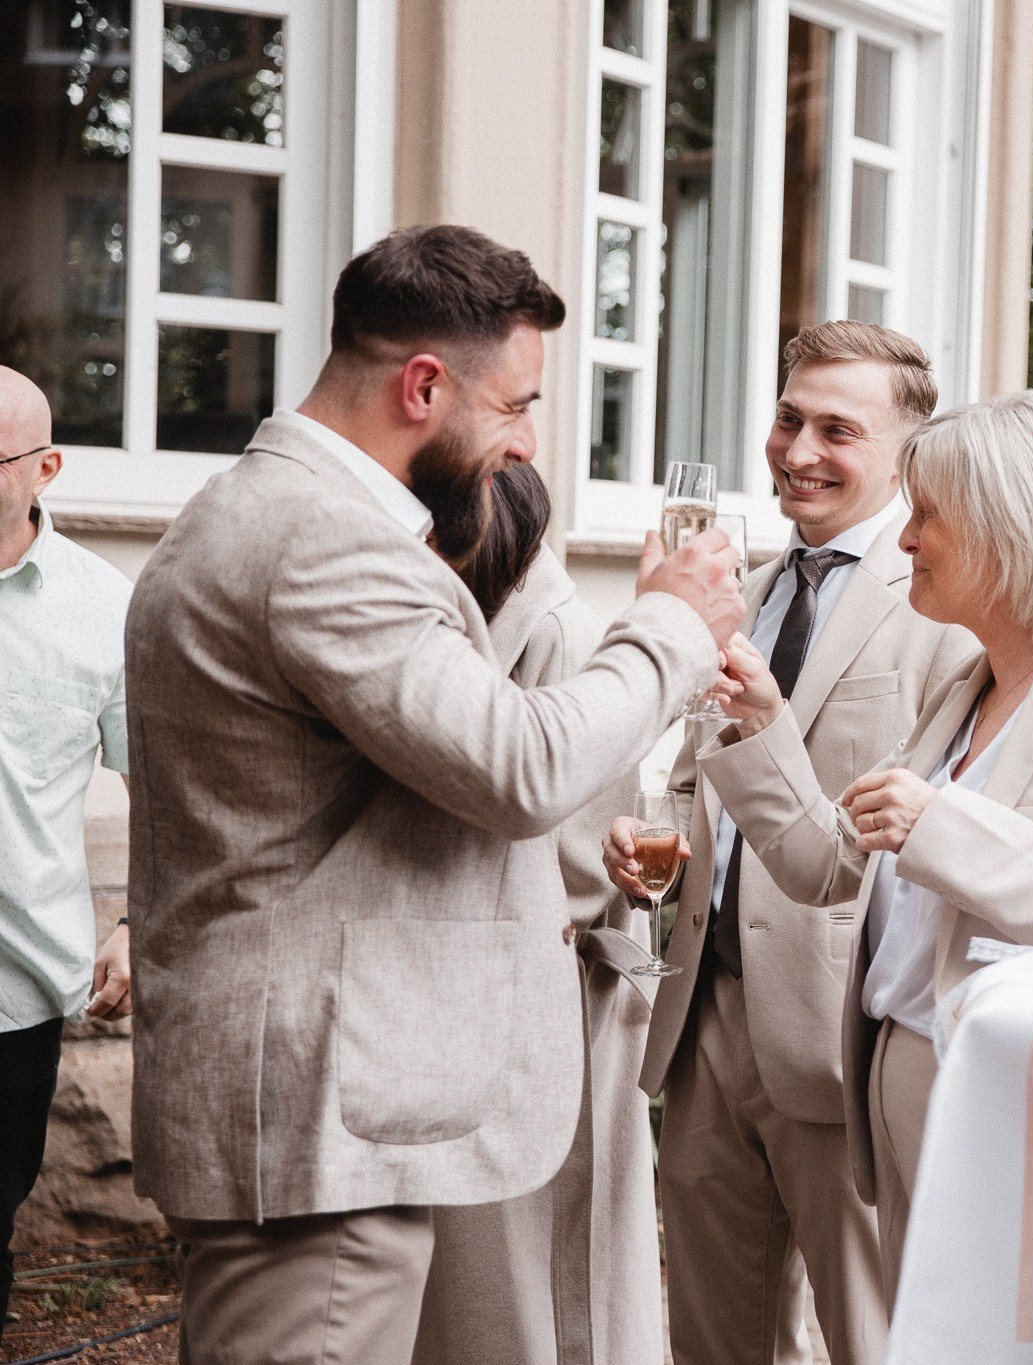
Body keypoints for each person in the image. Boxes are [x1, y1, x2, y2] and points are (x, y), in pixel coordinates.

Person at [125, 225, 744, 1365]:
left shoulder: (277, 511)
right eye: (514, 405)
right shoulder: (322, 541)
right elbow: (519, 767)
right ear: (423, 386)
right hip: (315, 1118)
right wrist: (671, 628)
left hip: (320, 1110)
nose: (525, 441)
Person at [700, 389, 1033, 1296]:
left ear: (1008, 527)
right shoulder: (966, 693)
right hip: (899, 1090)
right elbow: (831, 868)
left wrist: (943, 828)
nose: (902, 542)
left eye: (927, 516)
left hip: (1018, 1111)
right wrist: (761, 725)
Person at [603, 321, 976, 1365]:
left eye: (836, 430)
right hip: (701, 1016)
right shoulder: (753, 590)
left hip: (839, 1029)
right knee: (714, 1341)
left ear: (904, 455)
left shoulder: (944, 607)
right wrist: (652, 835)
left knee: (869, 1338)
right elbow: (699, 774)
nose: (797, 449)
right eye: (787, 418)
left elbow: (920, 821)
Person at [411, 463, 663, 1365]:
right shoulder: (455, 629)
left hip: (553, 1009)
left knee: (548, 1279)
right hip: (459, 1007)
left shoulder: (567, 638)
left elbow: (587, 866)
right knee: (468, 1277)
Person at [0, 367, 134, 1338]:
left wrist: (136, 921)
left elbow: (163, 792)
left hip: (14, 985)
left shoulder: (104, 609)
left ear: (45, 467)